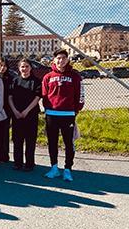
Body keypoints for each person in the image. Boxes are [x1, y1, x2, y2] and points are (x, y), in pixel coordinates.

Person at [42, 49, 84, 182]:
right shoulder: (48, 77)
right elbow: (44, 95)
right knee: (52, 142)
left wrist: (75, 110)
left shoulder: (75, 76)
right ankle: (54, 168)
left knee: (68, 143)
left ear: (67, 60)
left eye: (63, 58)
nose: (61, 61)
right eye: (58, 58)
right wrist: (48, 109)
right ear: (54, 60)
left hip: (68, 114)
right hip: (51, 114)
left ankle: (67, 169)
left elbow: (80, 96)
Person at [8, 58, 42, 171]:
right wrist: (15, 111)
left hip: (30, 115)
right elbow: (10, 97)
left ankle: (29, 164)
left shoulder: (36, 81)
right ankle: (17, 163)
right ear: (19, 68)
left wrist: (26, 111)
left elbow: (37, 98)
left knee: (30, 140)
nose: (24, 69)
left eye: (27, 66)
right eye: (22, 66)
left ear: (30, 68)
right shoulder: (15, 81)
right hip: (17, 115)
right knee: (17, 140)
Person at [0, 58, 13, 163]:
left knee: (4, 132)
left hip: (6, 109)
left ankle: (4, 154)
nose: (2, 68)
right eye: (0, 65)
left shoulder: (10, 79)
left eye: (4, 66)